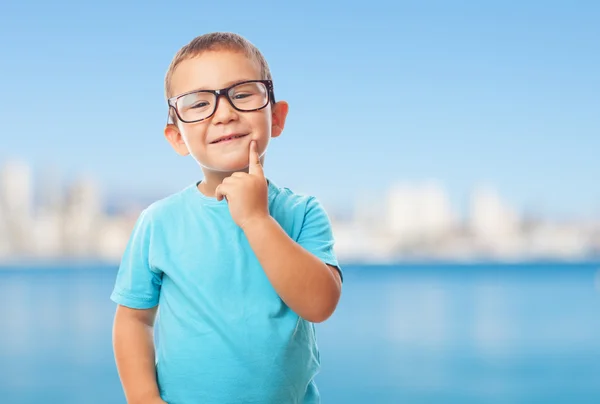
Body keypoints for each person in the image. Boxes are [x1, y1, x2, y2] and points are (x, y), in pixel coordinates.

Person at [110, 32, 343, 404]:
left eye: (243, 93)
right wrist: (143, 398)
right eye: (199, 103)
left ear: (277, 117)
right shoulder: (158, 222)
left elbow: (319, 305)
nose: (224, 112)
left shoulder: (302, 212)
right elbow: (134, 319)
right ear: (177, 138)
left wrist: (257, 220)